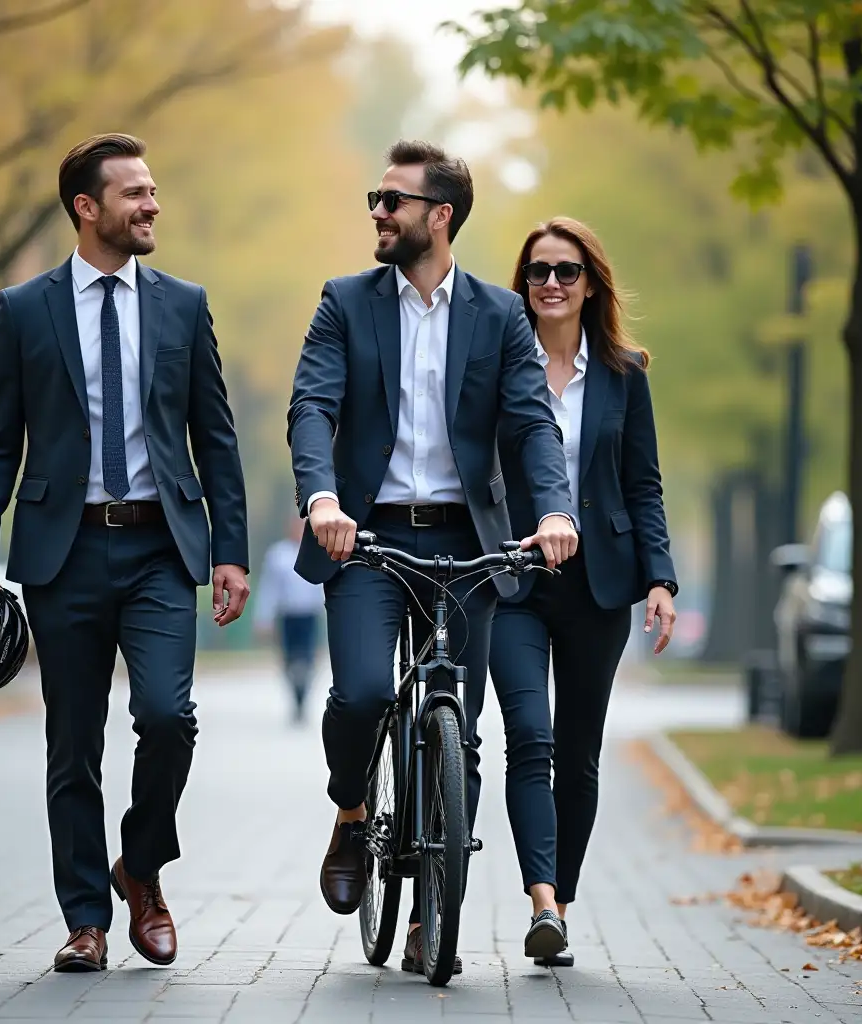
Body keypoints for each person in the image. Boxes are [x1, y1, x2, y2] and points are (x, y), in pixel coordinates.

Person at [0, 133, 250, 973]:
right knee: (72, 744)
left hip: (161, 547)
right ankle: (85, 918)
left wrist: (230, 550)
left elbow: (216, 438)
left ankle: (142, 868)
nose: (151, 205)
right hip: (64, 553)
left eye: (153, 191)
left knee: (167, 716)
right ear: (87, 208)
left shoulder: (184, 305)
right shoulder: (24, 308)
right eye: (135, 193)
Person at [287, 140, 578, 976]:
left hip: (465, 540)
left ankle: (429, 913)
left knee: (462, 729)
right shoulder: (345, 303)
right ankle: (351, 814)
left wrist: (555, 509)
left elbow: (529, 425)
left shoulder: (499, 315)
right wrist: (322, 499)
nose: (377, 214)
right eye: (375, 201)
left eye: (392, 201)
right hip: (367, 536)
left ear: (439, 216)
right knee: (366, 693)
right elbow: (313, 404)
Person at [488, 216, 678, 966]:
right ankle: (540, 898)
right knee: (528, 737)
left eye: (567, 270)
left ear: (590, 281)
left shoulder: (625, 372)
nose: (552, 284)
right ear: (523, 284)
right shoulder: (501, 364)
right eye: (538, 271)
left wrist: (660, 578)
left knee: (579, 752)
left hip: (600, 586)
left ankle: (560, 904)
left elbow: (644, 483)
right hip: (515, 577)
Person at [253, 517, 325, 722]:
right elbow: (269, 589)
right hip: (288, 616)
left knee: (308, 660)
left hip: (310, 616)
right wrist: (264, 618)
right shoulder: (278, 555)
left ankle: (304, 694)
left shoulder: (316, 551)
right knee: (289, 659)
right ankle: (295, 694)